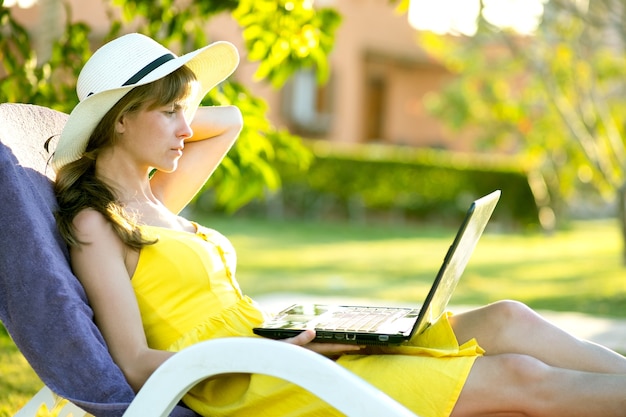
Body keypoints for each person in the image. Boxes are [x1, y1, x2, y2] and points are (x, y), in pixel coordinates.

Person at [52, 33, 626, 417]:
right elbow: (134, 363)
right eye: (169, 112)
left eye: (186, 110)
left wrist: (165, 100)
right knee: (518, 377)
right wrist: (274, 353)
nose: (186, 126)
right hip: (249, 382)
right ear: (121, 119)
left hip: (279, 349)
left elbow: (229, 120)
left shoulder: (156, 197)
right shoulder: (98, 224)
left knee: (506, 319)